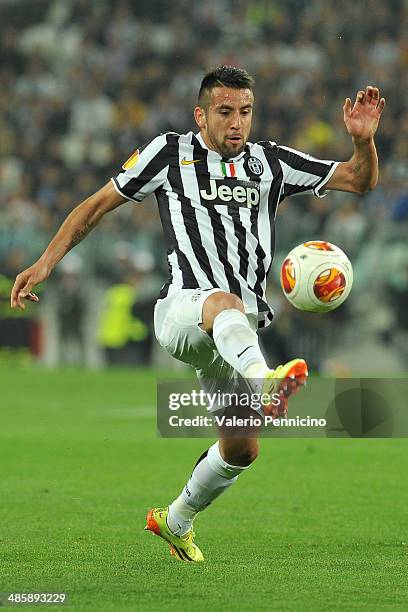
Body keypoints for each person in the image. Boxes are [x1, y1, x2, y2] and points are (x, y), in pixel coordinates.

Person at [11, 66, 385, 563]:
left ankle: (177, 518)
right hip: (185, 311)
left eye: (245, 112)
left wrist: (363, 142)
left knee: (241, 450)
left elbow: (359, 180)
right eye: (225, 112)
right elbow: (97, 206)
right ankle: (266, 379)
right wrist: (44, 262)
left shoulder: (269, 163)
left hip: (234, 334)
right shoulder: (170, 153)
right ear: (201, 115)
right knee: (221, 301)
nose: (236, 123)